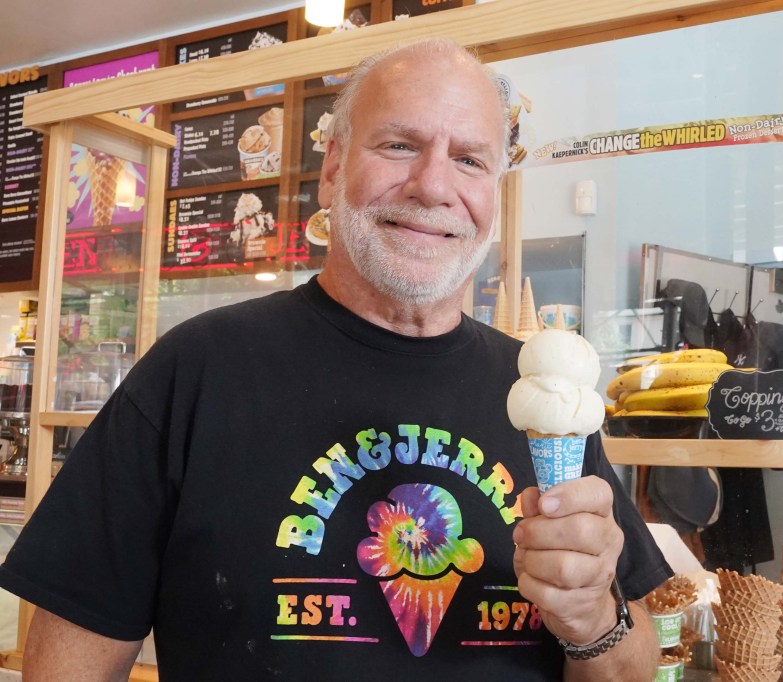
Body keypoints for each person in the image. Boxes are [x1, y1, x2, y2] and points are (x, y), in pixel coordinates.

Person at [0, 38, 671, 680]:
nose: (434, 185)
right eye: (400, 144)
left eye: (470, 160)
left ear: (494, 193)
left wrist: (593, 622)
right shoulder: (197, 371)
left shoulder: (542, 398)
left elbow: (632, 666)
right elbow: (69, 659)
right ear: (332, 170)